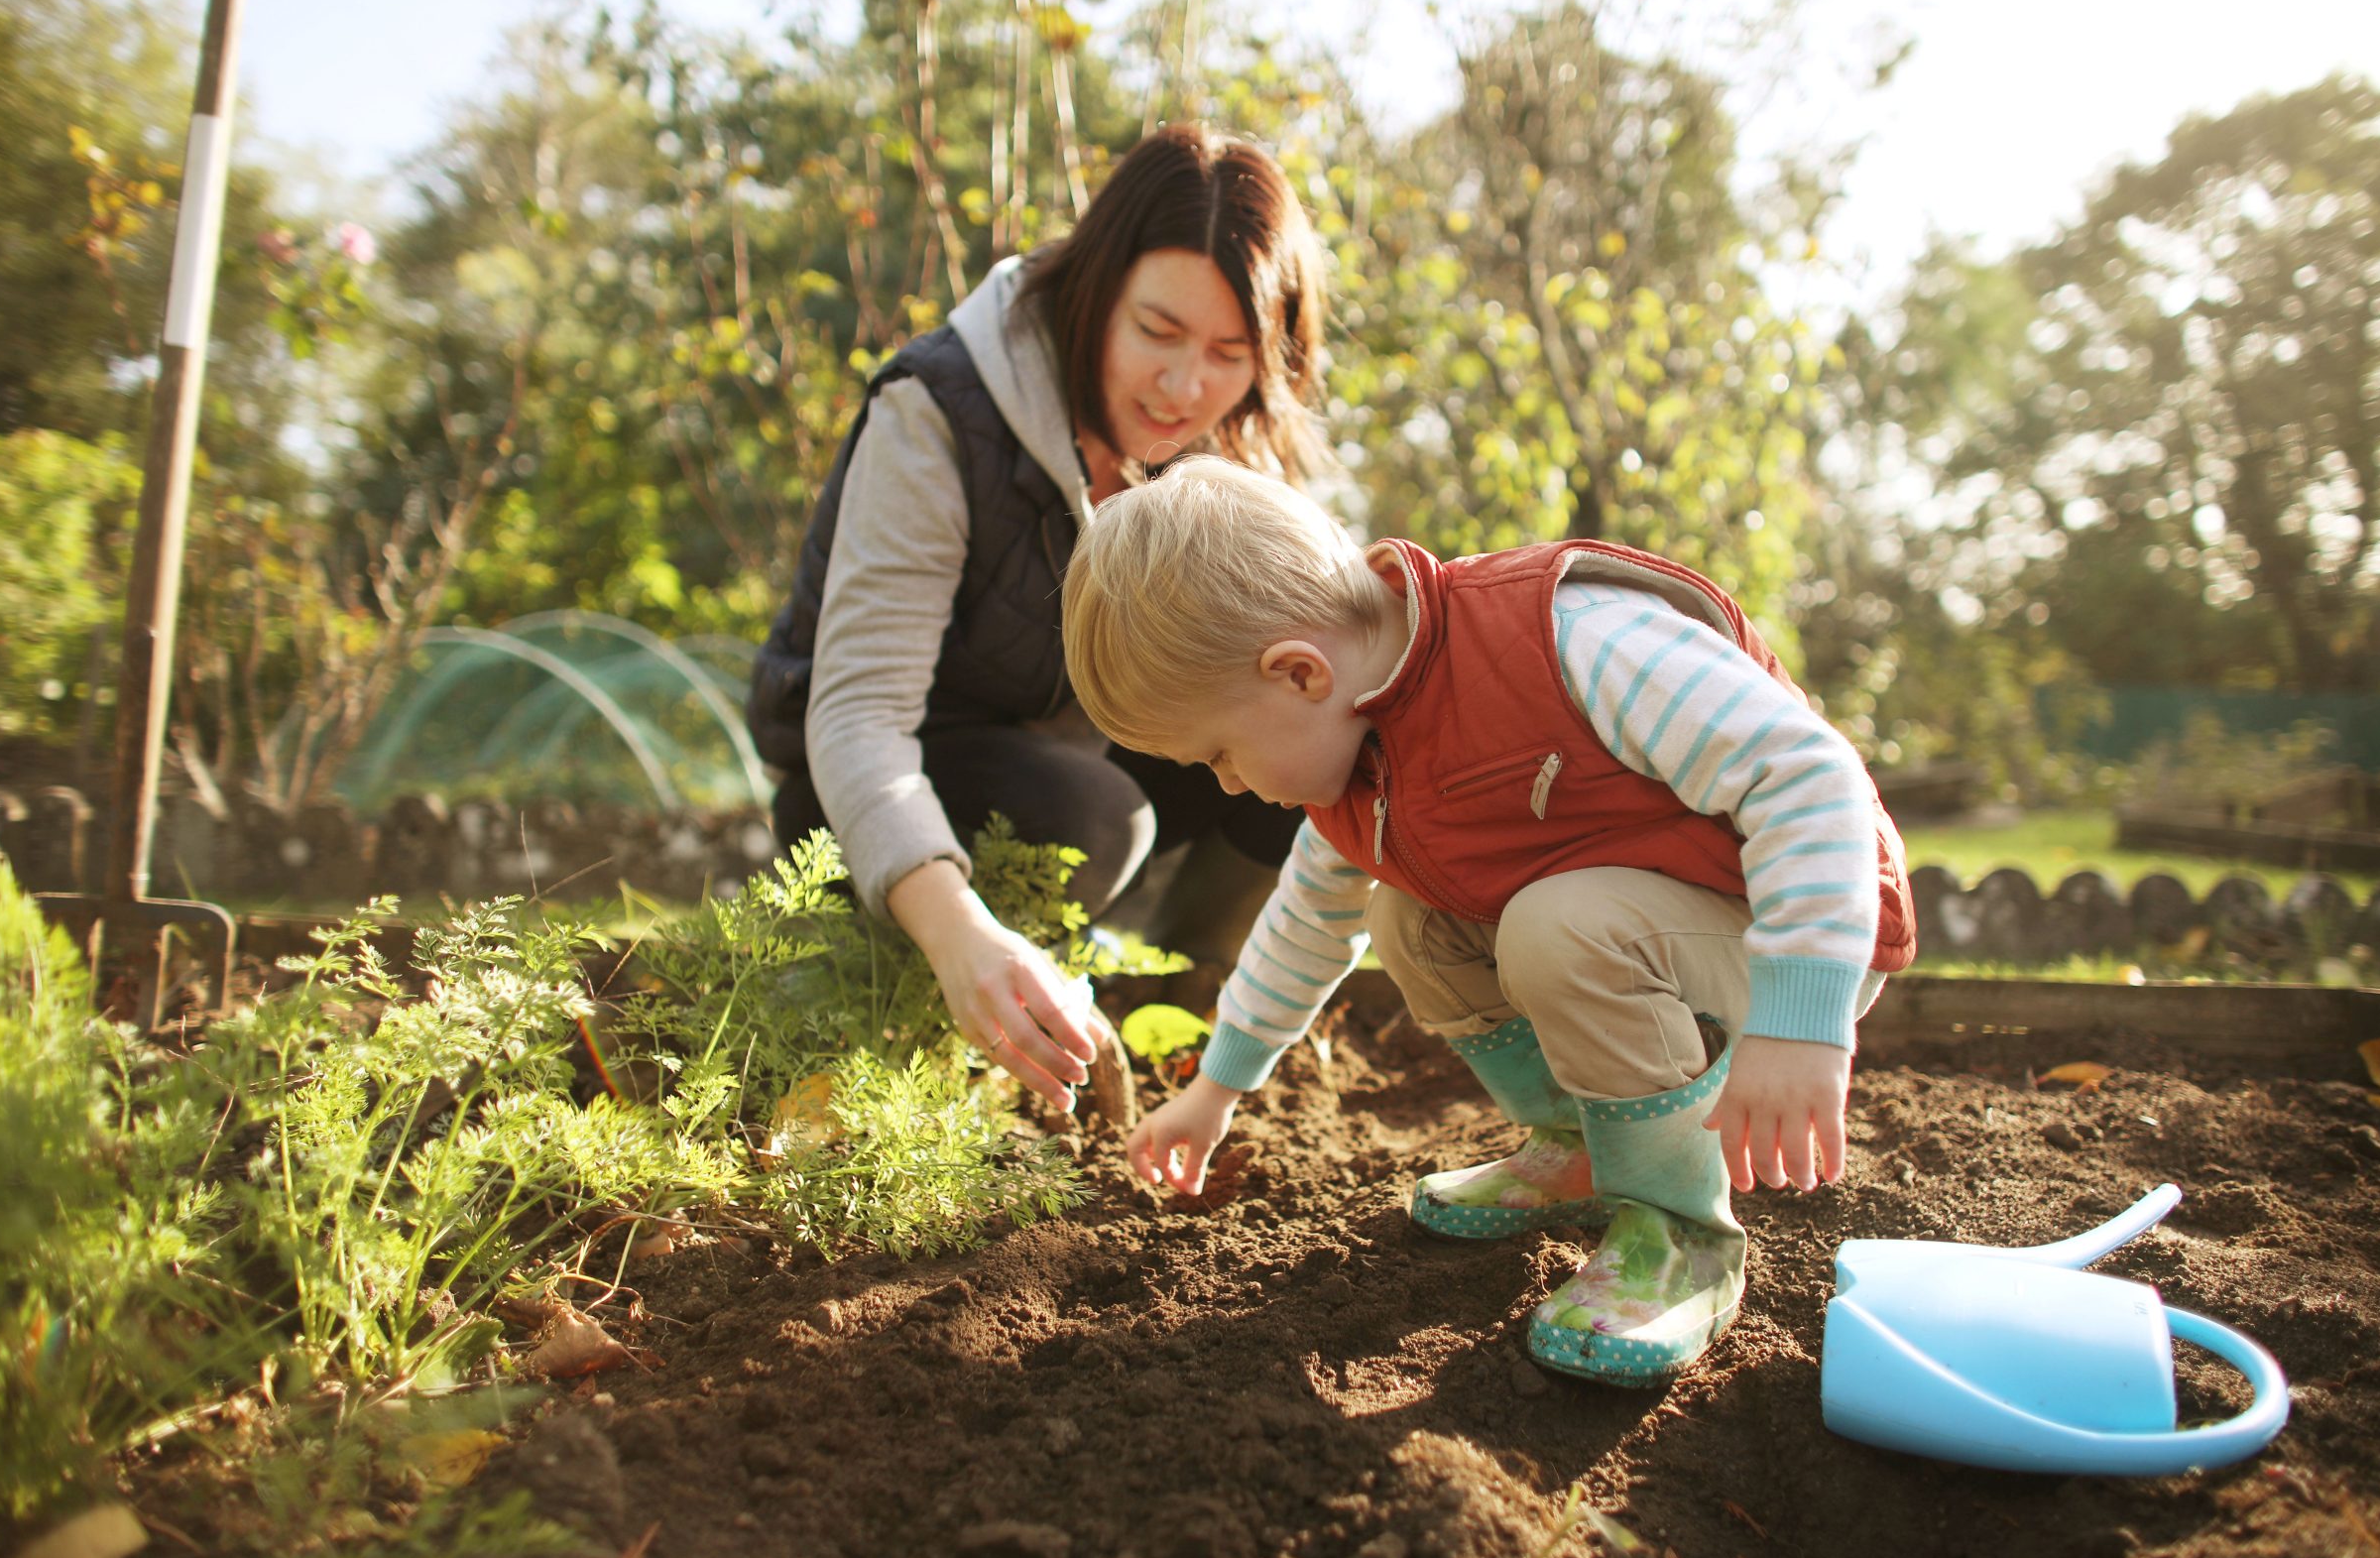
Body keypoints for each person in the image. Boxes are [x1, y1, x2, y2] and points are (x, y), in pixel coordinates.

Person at [1058, 461, 1918, 1387]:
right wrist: (1215, 1089)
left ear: (1299, 672)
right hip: (1637, 925)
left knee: (1560, 925)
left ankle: (1678, 1233)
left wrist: (1800, 1018)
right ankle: (1587, 1150)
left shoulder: (1568, 638)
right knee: (1408, 922)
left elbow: (1808, 780)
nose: (1228, 783)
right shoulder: (1357, 761)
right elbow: (1304, 926)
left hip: (1796, 924)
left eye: (1220, 753)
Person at [746, 127, 1331, 1118]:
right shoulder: (938, 414)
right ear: (1094, 289)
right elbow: (855, 719)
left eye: (1228, 354)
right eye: (1156, 331)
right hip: (875, 794)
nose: (1184, 387)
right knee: (1090, 817)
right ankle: (950, 1011)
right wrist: (960, 935)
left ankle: (1187, 1012)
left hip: (1078, 755)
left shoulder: (1220, 450)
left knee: (1299, 746)